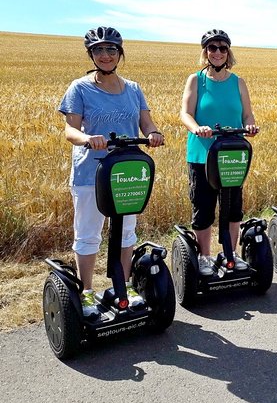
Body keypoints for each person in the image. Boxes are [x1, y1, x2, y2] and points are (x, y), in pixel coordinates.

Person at [60, 26, 164, 317]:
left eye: (111, 50)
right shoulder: (79, 87)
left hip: (126, 169)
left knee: (127, 231)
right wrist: (87, 139)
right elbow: (70, 128)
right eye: (99, 50)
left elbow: (146, 122)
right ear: (91, 55)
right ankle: (88, 292)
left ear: (120, 53)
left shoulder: (133, 88)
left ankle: (125, 286)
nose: (105, 55)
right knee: (89, 232)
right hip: (91, 172)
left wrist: (154, 133)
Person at [179, 29, 259, 276]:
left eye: (222, 48)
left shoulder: (238, 82)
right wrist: (197, 128)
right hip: (202, 154)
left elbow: (247, 113)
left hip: (232, 153)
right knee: (203, 207)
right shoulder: (196, 80)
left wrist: (250, 126)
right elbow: (185, 113)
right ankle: (204, 257)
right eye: (212, 48)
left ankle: (230, 253)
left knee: (233, 207)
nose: (217, 52)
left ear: (228, 52)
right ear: (205, 52)